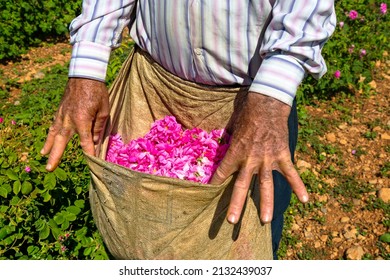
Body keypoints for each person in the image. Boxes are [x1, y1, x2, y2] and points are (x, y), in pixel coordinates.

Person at [41, 0, 336, 259]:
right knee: (140, 230)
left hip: (257, 101)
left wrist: (272, 97)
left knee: (251, 230)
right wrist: (86, 69)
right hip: (152, 90)